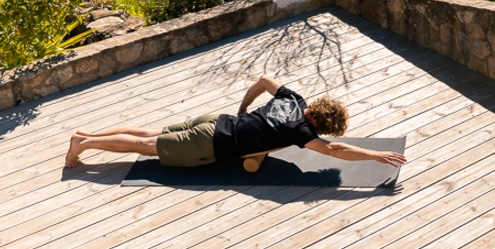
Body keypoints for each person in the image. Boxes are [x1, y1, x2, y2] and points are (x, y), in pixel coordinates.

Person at [65, 75, 406, 170]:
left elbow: (262, 79)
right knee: (145, 147)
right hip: (209, 144)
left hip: (215, 121)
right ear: (321, 123)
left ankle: (85, 134)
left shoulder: (293, 99)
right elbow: (334, 150)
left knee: (148, 131)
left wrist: (243, 108)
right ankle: (85, 143)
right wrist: (375, 156)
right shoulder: (300, 131)